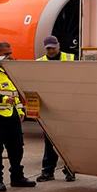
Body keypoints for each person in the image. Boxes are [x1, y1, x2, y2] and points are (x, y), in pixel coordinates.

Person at [0, 41, 36, 192]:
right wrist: (3, 99)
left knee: (17, 148)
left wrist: (20, 111)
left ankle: (17, 177)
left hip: (12, 115)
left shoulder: (9, 69)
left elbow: (15, 93)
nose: (9, 56)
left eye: (10, 53)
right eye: (6, 54)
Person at [35, 35, 75, 182]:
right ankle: (48, 171)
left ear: (58, 45)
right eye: (48, 49)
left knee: (68, 141)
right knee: (49, 141)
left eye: (53, 48)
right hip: (49, 107)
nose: (51, 51)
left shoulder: (71, 58)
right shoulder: (39, 63)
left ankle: (70, 170)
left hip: (67, 106)